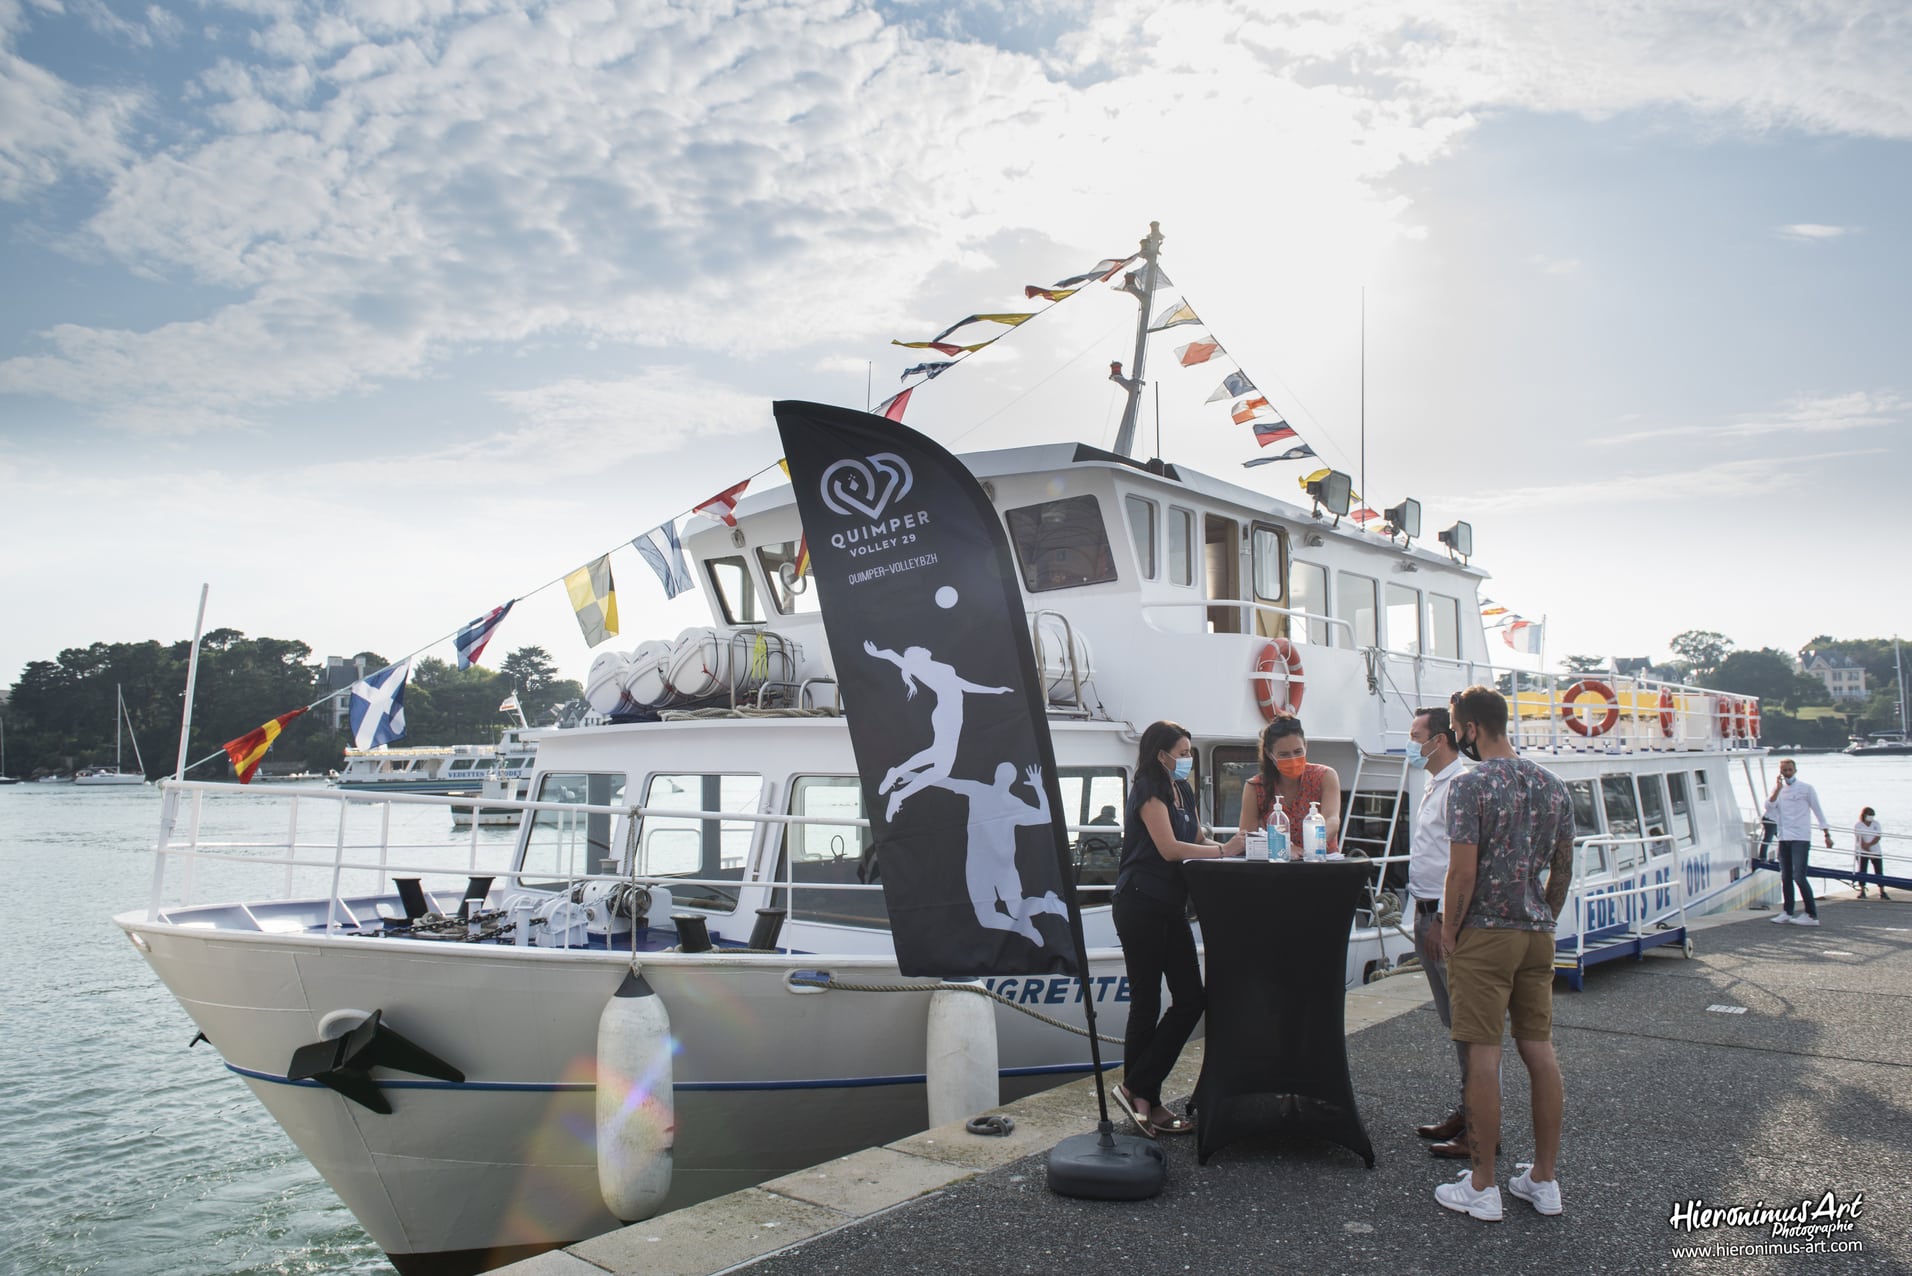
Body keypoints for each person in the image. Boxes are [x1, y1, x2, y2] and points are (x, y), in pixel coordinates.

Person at [1434, 685, 1575, 1223]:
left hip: (1486, 934)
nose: (1454, 735)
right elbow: (1561, 869)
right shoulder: (1552, 785)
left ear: (1471, 727)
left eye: (1455, 726)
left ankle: (1483, 1185)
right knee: (1539, 1050)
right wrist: (1546, 914)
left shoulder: (1470, 786)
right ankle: (1543, 1178)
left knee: (1483, 1055)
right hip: (1537, 932)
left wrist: (1450, 930)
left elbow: (1462, 870)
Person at [1112, 720, 1245, 1137]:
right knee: (1147, 1002)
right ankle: (1145, 1101)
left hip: (1169, 905)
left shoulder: (1182, 790)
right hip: (1139, 902)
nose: (1188, 758)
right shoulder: (1149, 790)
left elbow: (1198, 837)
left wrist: (1238, 847)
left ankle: (1138, 1088)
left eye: (1190, 752)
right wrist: (1225, 851)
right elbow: (1169, 848)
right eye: (1183, 752)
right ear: (1161, 754)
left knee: (1190, 998)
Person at [1404, 705, 1471, 1159]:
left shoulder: (1461, 785)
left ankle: (1479, 1129)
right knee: (1455, 1022)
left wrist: (1444, 921)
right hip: (1423, 909)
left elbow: (1462, 860)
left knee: (1470, 1025)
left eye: (1416, 735)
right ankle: (1469, 1112)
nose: (1411, 743)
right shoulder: (1435, 782)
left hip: (1442, 918)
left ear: (1439, 739)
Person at [1236, 714, 1341, 859]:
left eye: (1298, 752)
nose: (1292, 759)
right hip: (1278, 865)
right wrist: (1286, 848)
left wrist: (1311, 847)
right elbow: (1247, 837)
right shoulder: (1255, 787)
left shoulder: (1325, 776)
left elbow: (1332, 820)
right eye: (1284, 754)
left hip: (1321, 862)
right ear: (1269, 754)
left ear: (1306, 746)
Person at [1767, 758, 1833, 926]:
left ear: (1795, 770)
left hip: (1801, 838)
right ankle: (1787, 911)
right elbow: (1768, 807)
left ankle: (1811, 914)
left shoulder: (1806, 789)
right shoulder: (1778, 790)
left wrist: (1826, 833)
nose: (1787, 773)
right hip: (1784, 837)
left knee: (1799, 875)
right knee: (1786, 876)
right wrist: (1777, 790)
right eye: (1784, 770)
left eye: (1789, 770)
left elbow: (1818, 810)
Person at [1854, 807, 1887, 901]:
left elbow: (1878, 837)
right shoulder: (1858, 825)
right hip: (1862, 851)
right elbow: (1859, 838)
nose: (1871, 817)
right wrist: (1867, 848)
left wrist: (1870, 847)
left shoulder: (1876, 824)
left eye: (1872, 815)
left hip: (1876, 850)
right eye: (1869, 815)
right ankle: (1862, 890)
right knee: (1862, 870)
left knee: (1879, 871)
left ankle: (1882, 891)